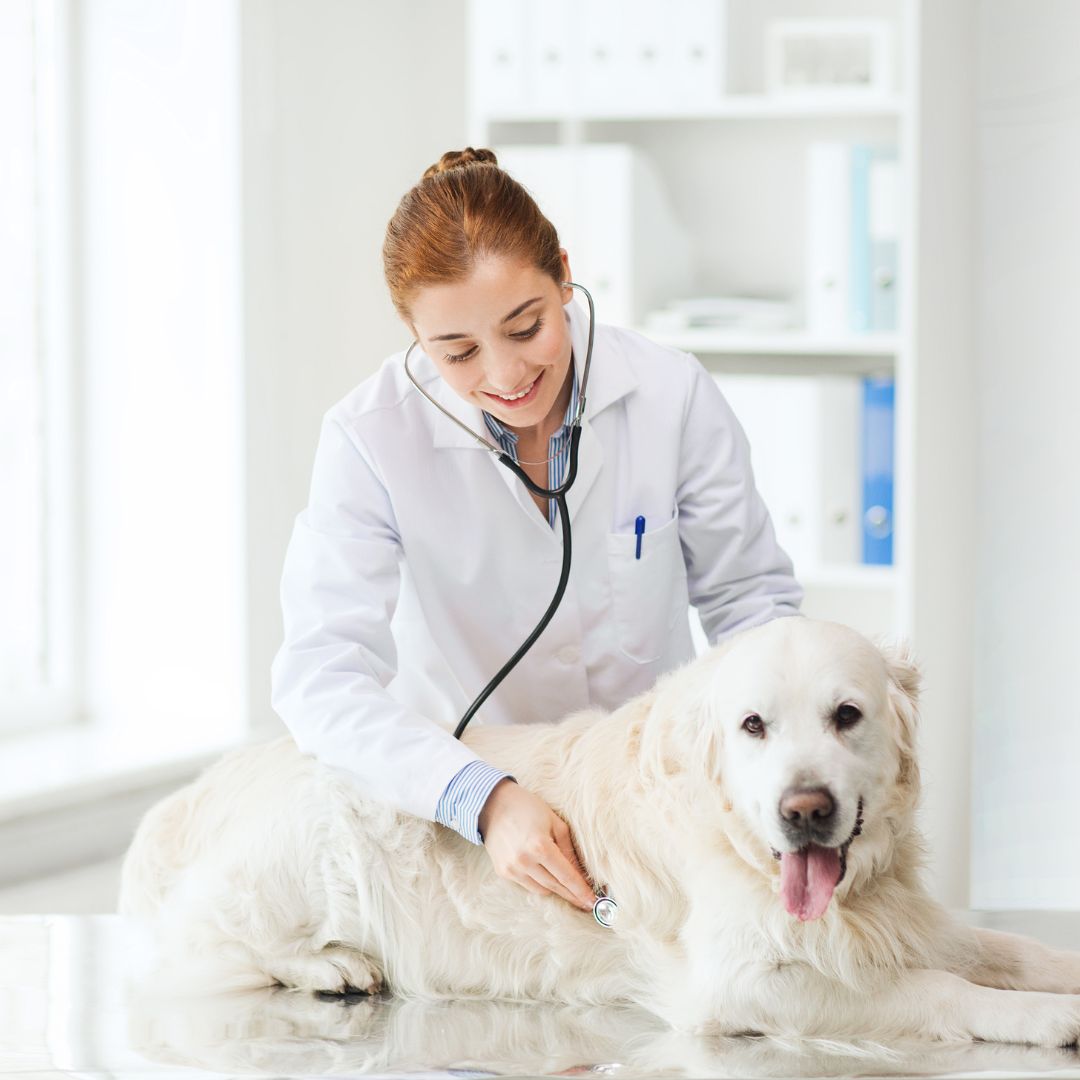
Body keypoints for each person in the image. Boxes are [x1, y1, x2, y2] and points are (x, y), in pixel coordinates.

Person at [270, 146, 803, 917]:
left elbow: (753, 606)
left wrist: (781, 766)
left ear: (562, 272)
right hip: (463, 819)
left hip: (653, 799)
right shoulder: (367, 437)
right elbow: (321, 675)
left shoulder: (669, 393)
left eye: (527, 326)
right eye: (456, 352)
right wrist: (477, 797)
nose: (506, 373)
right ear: (415, 337)